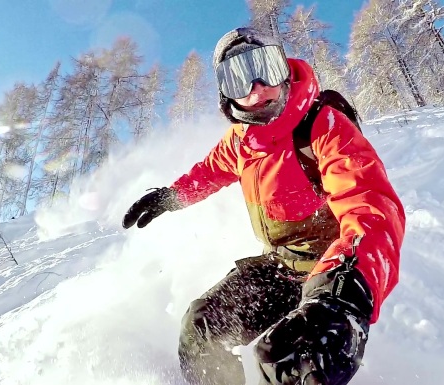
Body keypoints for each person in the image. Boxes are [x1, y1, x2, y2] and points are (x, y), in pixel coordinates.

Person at [122, 27, 406, 385]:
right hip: (279, 268)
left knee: (291, 364)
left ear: (283, 69)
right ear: (227, 95)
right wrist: (170, 197)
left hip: (327, 273)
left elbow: (369, 207)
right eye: (239, 78)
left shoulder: (323, 125)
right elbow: (208, 173)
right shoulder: (240, 142)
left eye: (265, 68)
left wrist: (344, 295)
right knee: (200, 328)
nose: (256, 87)